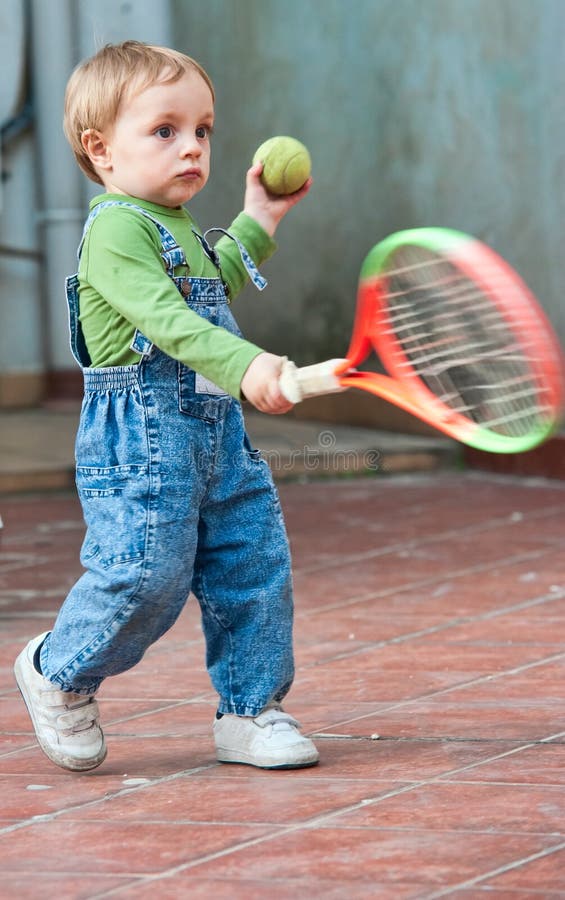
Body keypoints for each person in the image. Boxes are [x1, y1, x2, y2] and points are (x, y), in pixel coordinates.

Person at [14, 40, 319, 772]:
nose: (192, 147)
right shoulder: (116, 228)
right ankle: (59, 669)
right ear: (101, 149)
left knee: (253, 568)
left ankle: (251, 709)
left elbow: (213, 285)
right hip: (140, 443)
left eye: (202, 130)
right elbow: (171, 322)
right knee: (145, 577)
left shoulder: (175, 222)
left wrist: (259, 218)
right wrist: (248, 366)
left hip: (217, 438)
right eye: (165, 130)